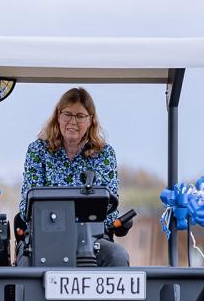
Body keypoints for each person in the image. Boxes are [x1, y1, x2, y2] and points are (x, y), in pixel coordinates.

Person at [18, 87, 129, 266]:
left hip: (92, 238)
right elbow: (27, 205)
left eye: (80, 116)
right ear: (58, 116)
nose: (73, 121)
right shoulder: (38, 150)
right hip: (47, 236)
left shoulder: (104, 154)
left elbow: (109, 207)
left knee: (117, 256)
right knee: (25, 259)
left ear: (90, 120)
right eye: (67, 114)